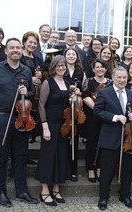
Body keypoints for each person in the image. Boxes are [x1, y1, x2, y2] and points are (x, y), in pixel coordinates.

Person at [0, 38, 38, 207]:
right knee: (1, 157)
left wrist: (28, 92)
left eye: (18, 47)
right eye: (12, 47)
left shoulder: (26, 70)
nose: (16, 50)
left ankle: (22, 191)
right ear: (6, 50)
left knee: (20, 156)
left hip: (21, 118)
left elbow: (32, 94)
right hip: (1, 117)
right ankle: (0, 192)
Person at [35, 55, 80, 206]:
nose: (61, 67)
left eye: (63, 65)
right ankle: (44, 190)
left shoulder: (67, 82)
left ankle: (56, 189)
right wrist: (45, 126)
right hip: (50, 125)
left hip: (63, 125)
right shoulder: (48, 82)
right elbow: (41, 105)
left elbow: (68, 103)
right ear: (53, 67)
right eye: (58, 65)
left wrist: (73, 99)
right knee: (48, 156)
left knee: (61, 156)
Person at [94, 66, 132, 210]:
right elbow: (97, 111)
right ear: (113, 78)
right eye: (119, 77)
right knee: (106, 170)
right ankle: (103, 197)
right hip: (109, 137)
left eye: (124, 77)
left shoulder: (131, 94)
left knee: (127, 169)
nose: (122, 80)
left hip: (128, 138)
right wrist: (115, 117)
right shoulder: (104, 92)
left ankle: (125, 195)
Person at [82, 58, 111, 183]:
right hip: (92, 117)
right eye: (97, 67)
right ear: (93, 69)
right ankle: (90, 169)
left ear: (105, 69)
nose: (100, 69)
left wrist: (104, 113)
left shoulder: (110, 82)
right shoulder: (88, 81)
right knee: (91, 143)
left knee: (103, 144)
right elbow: (85, 97)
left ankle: (99, 167)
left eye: (102, 67)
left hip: (105, 118)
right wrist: (97, 109)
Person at [63, 47, 87, 182]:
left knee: (74, 142)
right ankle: (63, 170)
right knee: (62, 142)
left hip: (76, 110)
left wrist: (79, 92)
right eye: (68, 54)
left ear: (77, 57)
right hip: (63, 109)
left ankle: (73, 171)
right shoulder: (60, 69)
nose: (71, 56)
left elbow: (84, 91)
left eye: (73, 54)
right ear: (65, 56)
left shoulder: (81, 72)